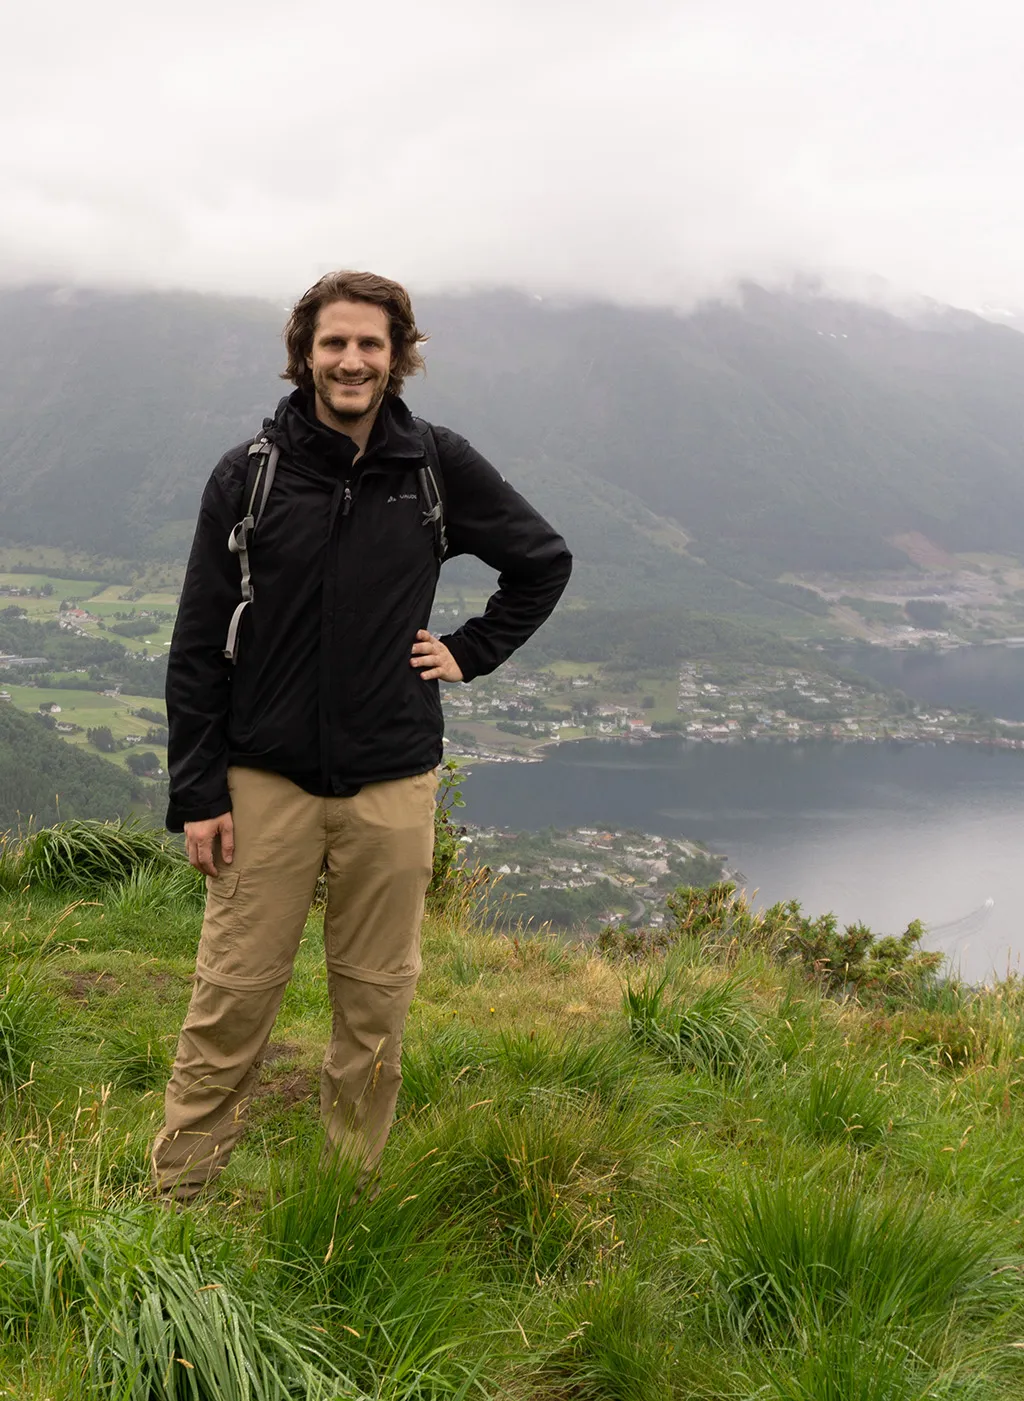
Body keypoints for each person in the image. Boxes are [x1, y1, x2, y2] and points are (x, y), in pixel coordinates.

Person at [151, 269, 572, 1200]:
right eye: (334, 343)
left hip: (391, 779)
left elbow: (541, 561)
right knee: (232, 997)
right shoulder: (250, 474)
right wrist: (198, 792)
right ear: (305, 351)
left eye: (370, 345)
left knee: (376, 1006)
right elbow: (197, 642)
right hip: (266, 779)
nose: (351, 360)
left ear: (398, 356)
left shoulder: (434, 466)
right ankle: (179, 1201)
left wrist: (469, 650)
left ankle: (345, 1207)